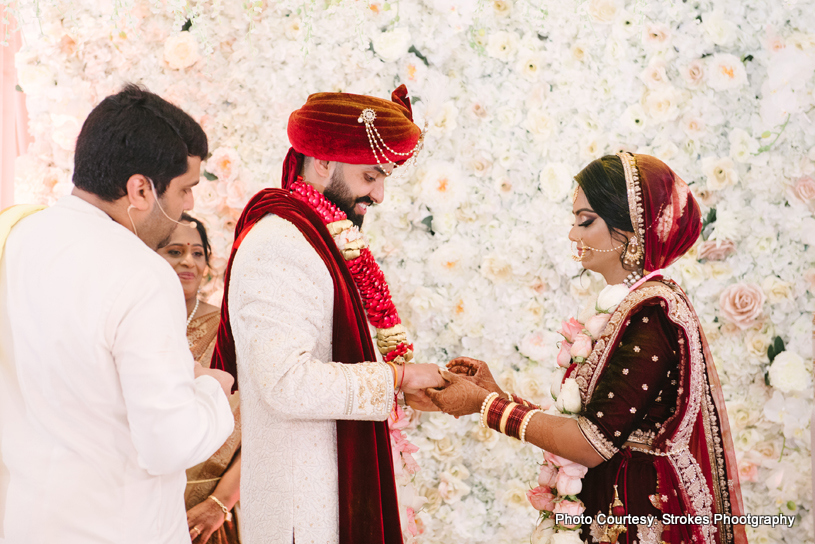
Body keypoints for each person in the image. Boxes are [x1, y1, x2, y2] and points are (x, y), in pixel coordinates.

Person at [427, 153, 748, 544]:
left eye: (585, 221)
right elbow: (594, 421)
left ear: (631, 232)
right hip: (613, 502)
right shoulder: (627, 305)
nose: (572, 235)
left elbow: (591, 441)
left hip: (640, 513)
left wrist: (485, 407)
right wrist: (493, 394)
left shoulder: (652, 312)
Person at [0, 84, 235, 543]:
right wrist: (211, 391)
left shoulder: (21, 239)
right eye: (185, 190)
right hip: (116, 524)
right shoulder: (142, 274)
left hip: (28, 520)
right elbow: (169, 443)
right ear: (140, 189)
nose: (189, 205)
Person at [210, 85, 445, 544]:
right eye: (371, 176)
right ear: (322, 162)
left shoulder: (317, 239)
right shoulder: (279, 243)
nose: (379, 195)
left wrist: (404, 384)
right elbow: (284, 383)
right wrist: (398, 379)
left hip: (326, 495)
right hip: (304, 510)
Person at [157, 213, 241, 544]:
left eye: (197, 252)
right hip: (139, 502)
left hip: (210, 517)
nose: (188, 261)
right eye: (174, 251)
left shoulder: (230, 331)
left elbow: (265, 427)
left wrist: (220, 504)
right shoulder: (130, 326)